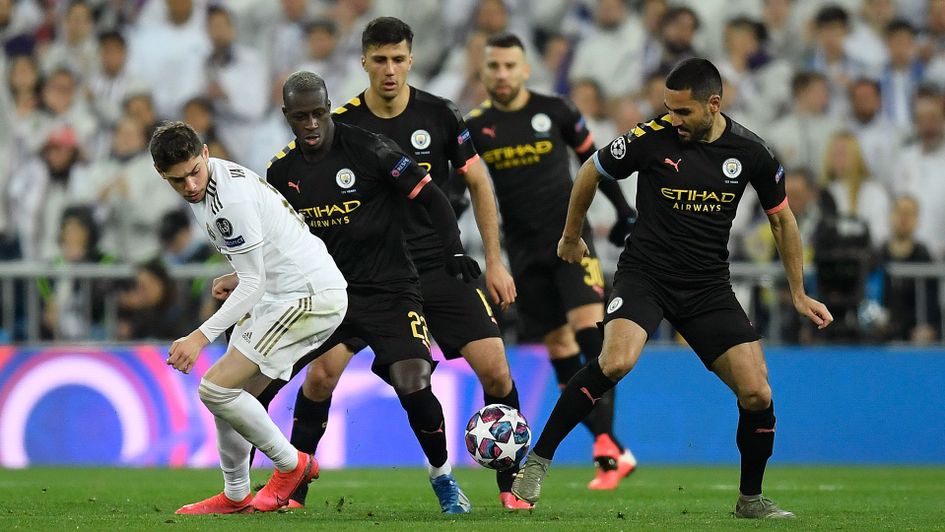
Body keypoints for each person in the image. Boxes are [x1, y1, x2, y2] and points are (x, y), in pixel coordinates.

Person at [511, 58, 834, 519]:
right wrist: (570, 235)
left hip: (707, 288)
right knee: (615, 361)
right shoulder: (650, 138)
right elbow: (590, 171)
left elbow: (781, 219)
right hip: (646, 276)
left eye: (683, 112)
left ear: (713, 104)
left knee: (758, 394)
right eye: (668, 109)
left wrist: (799, 293)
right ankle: (537, 463)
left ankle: (750, 500)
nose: (672, 120)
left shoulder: (750, 151)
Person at [276, 17, 525, 510]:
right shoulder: (340, 126)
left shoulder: (441, 115)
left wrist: (494, 261)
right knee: (322, 374)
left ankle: (510, 486)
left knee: (496, 370)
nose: (389, 70)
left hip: (438, 265)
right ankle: (294, 490)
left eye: (398, 59)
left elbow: (478, 183)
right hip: (370, 274)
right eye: (380, 60)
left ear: (410, 60)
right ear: (364, 62)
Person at [263, 71, 477, 514]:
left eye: (318, 113)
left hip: (391, 289)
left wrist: (453, 250)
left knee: (412, 381)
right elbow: (275, 241)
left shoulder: (370, 149)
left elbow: (433, 197)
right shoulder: (281, 172)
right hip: (328, 294)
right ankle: (285, 489)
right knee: (310, 379)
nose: (311, 124)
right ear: (287, 117)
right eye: (300, 116)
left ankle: (443, 477)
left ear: (329, 108)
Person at [465, 33, 638, 491]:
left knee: (590, 337)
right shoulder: (475, 127)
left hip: (571, 244)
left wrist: (624, 213)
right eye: (494, 66)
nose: (501, 74)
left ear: (525, 70)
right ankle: (610, 446)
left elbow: (597, 163)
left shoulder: (557, 111)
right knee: (561, 351)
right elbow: (461, 186)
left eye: (509, 66)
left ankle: (607, 447)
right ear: (483, 72)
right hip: (523, 257)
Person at [150, 121, 348, 514]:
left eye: (194, 171)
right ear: (163, 175)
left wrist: (199, 337)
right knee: (229, 394)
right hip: (282, 290)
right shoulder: (211, 187)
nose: (190, 185)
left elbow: (254, 285)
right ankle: (236, 494)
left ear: (205, 153)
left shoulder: (229, 202)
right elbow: (260, 263)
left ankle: (292, 465)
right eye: (178, 180)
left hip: (306, 296)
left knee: (214, 389)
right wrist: (239, 274)